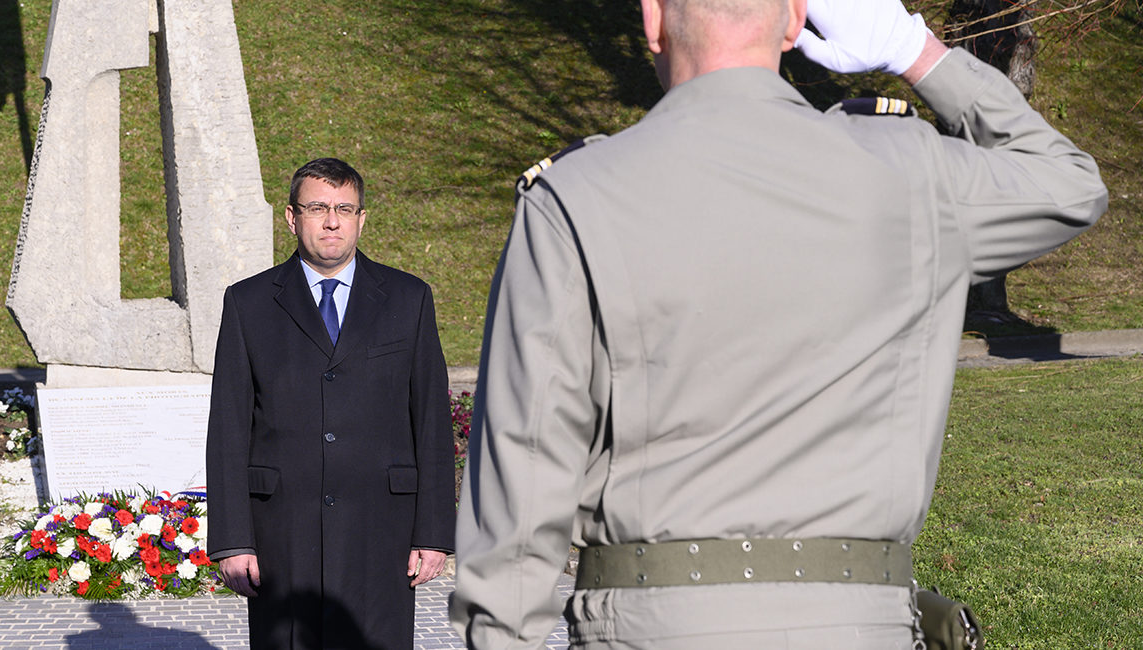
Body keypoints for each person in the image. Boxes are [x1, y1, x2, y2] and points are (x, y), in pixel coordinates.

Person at [450, 0, 1108, 647]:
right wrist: (918, 52)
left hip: (652, 625)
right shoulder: (911, 172)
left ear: (652, 20)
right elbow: (1068, 185)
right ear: (797, 20)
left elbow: (527, 458)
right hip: (860, 623)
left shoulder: (575, 197)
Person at [207, 157, 456, 649]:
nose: (332, 221)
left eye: (345, 208)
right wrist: (234, 541)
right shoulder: (248, 302)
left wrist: (433, 533)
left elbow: (430, 420)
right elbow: (229, 427)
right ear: (291, 217)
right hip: (283, 531)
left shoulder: (408, 298)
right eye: (317, 207)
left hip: (380, 529)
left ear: (362, 217)